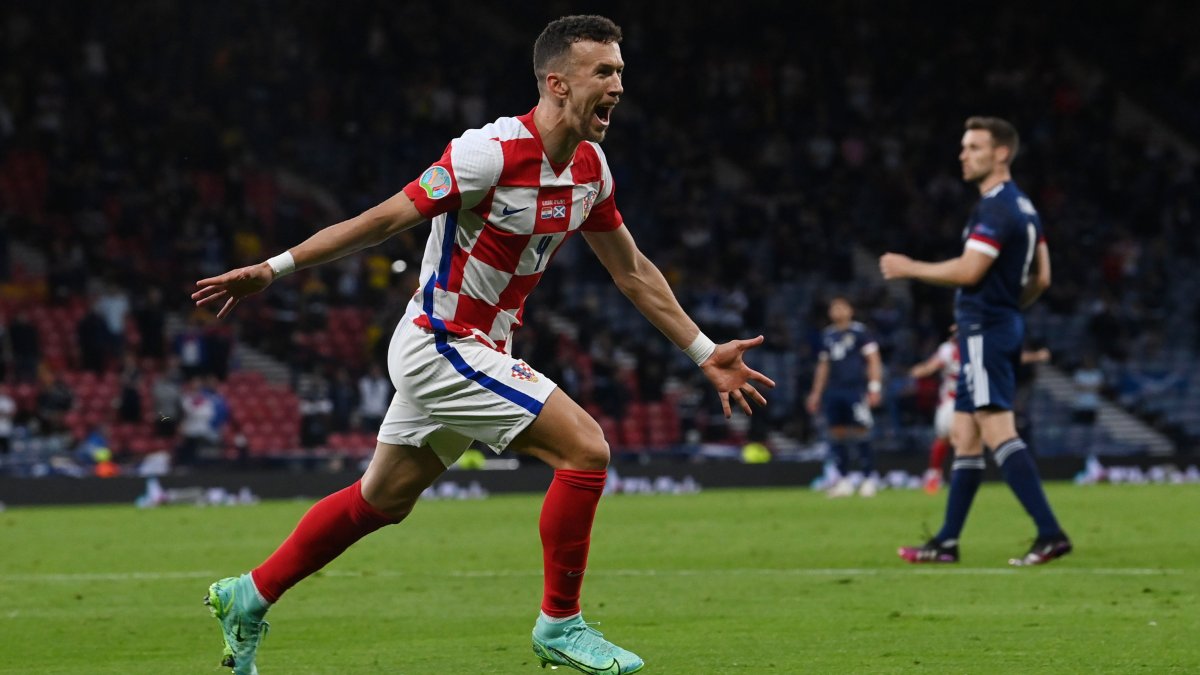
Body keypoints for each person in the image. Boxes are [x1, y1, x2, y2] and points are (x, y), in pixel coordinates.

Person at [191, 15, 773, 675]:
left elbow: (632, 270)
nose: (618, 85)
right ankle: (561, 625)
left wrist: (704, 352)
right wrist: (274, 269)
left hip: (484, 346)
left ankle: (248, 595)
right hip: (440, 341)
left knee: (382, 499)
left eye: (620, 71)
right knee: (586, 449)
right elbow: (384, 219)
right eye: (603, 72)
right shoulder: (488, 153)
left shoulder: (590, 168)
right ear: (557, 83)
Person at [880, 115, 1072, 567]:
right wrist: (998, 307)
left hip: (987, 329)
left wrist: (910, 268)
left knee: (997, 429)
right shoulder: (1024, 207)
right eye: (964, 147)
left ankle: (1050, 533)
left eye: (974, 147)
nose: (963, 155)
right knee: (964, 436)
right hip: (990, 325)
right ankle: (947, 542)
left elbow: (969, 271)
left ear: (1000, 153)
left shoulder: (997, 207)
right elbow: (1042, 277)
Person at [805, 297, 884, 497]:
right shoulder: (828, 335)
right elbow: (823, 365)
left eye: (842, 307)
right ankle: (843, 480)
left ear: (851, 310)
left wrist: (874, 387)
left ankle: (868, 478)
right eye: (834, 308)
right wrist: (816, 393)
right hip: (834, 390)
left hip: (855, 389)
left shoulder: (860, 332)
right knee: (836, 433)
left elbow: (873, 359)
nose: (838, 311)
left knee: (862, 431)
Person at [908, 324, 960, 495]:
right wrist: (921, 370)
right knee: (944, 437)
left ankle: (961, 475)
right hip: (951, 400)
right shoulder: (948, 349)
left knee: (967, 441)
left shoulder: (980, 346)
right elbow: (932, 366)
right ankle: (934, 474)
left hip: (974, 399)